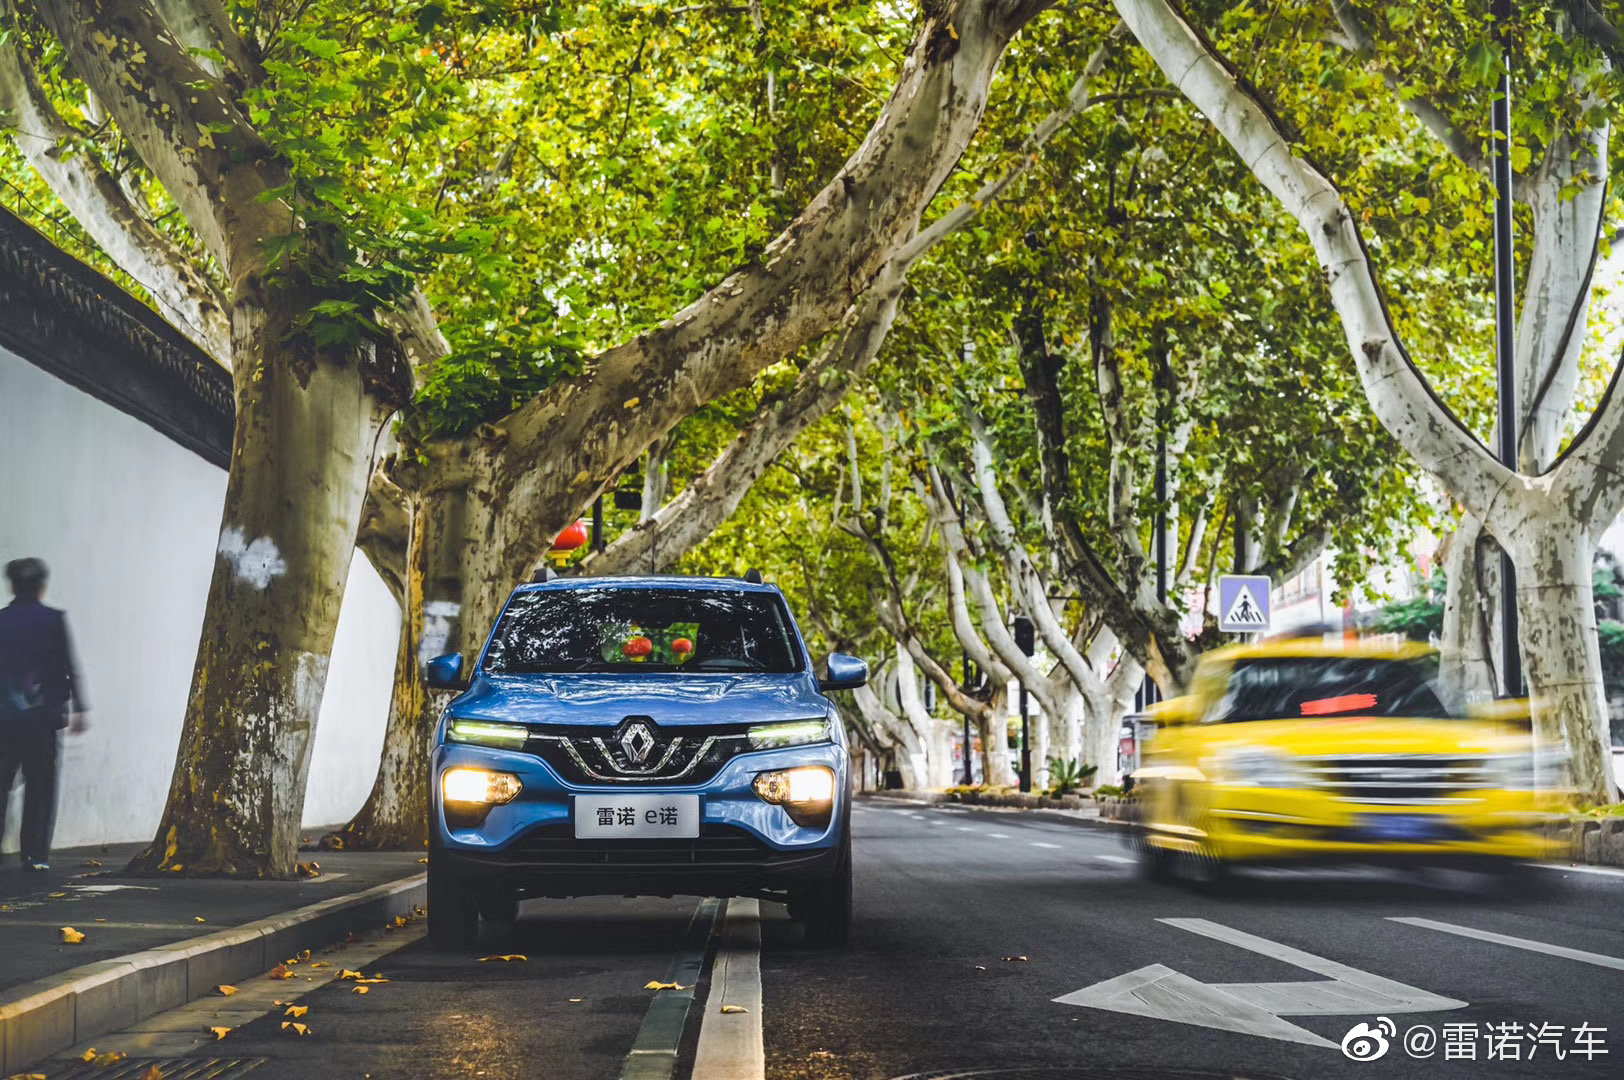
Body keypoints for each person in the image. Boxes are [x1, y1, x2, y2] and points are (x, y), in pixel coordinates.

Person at [0, 558, 87, 871]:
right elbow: (69, 666)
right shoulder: (54, 620)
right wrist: (80, 707)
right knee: (41, 787)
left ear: (12, 586)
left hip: (5, 720)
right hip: (42, 719)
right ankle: (35, 855)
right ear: (41, 587)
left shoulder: (1, 620)